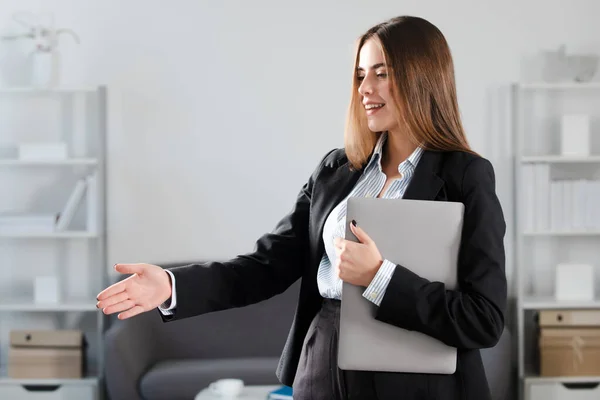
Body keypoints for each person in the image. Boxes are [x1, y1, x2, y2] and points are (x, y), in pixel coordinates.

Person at [96, 15, 507, 400]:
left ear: (423, 77)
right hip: (324, 362)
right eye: (361, 75)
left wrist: (380, 278)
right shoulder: (335, 171)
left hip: (418, 380)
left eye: (382, 73)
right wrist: (171, 286)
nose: (365, 88)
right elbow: (264, 267)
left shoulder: (465, 177)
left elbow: (483, 318)